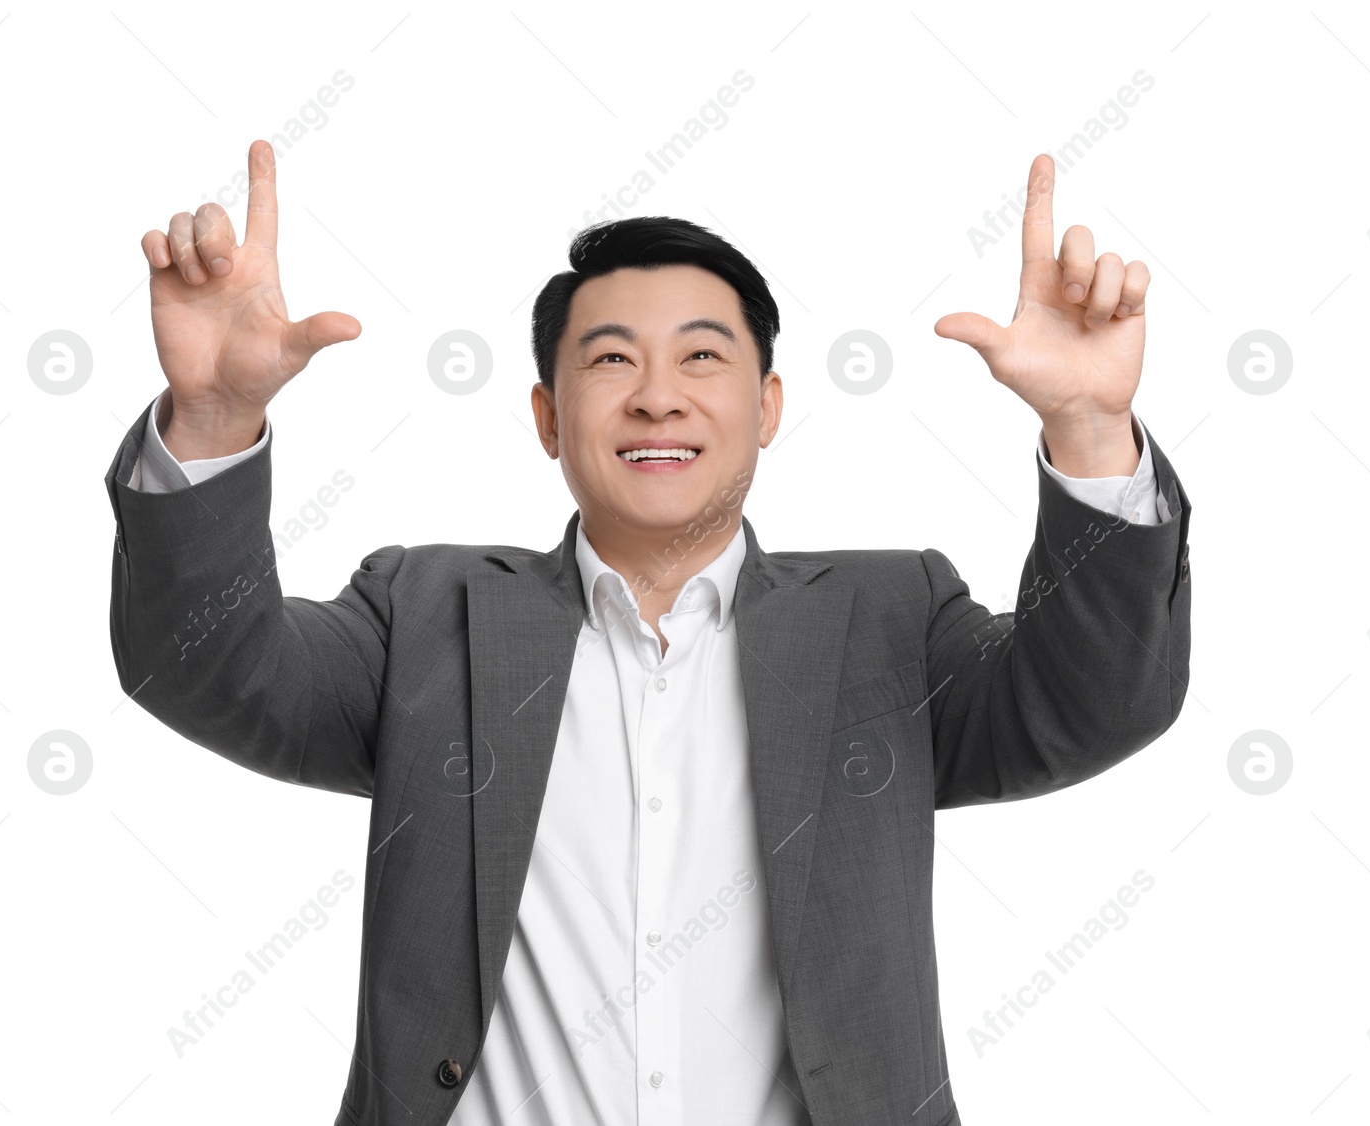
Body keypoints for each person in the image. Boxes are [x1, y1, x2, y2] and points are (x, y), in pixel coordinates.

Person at [106, 139, 1192, 1125]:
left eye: (704, 359)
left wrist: (1089, 430)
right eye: (612, 360)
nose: (657, 398)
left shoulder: (887, 620)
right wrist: (210, 418)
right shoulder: (424, 614)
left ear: (767, 407)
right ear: (546, 417)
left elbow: (1092, 703)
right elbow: (202, 667)